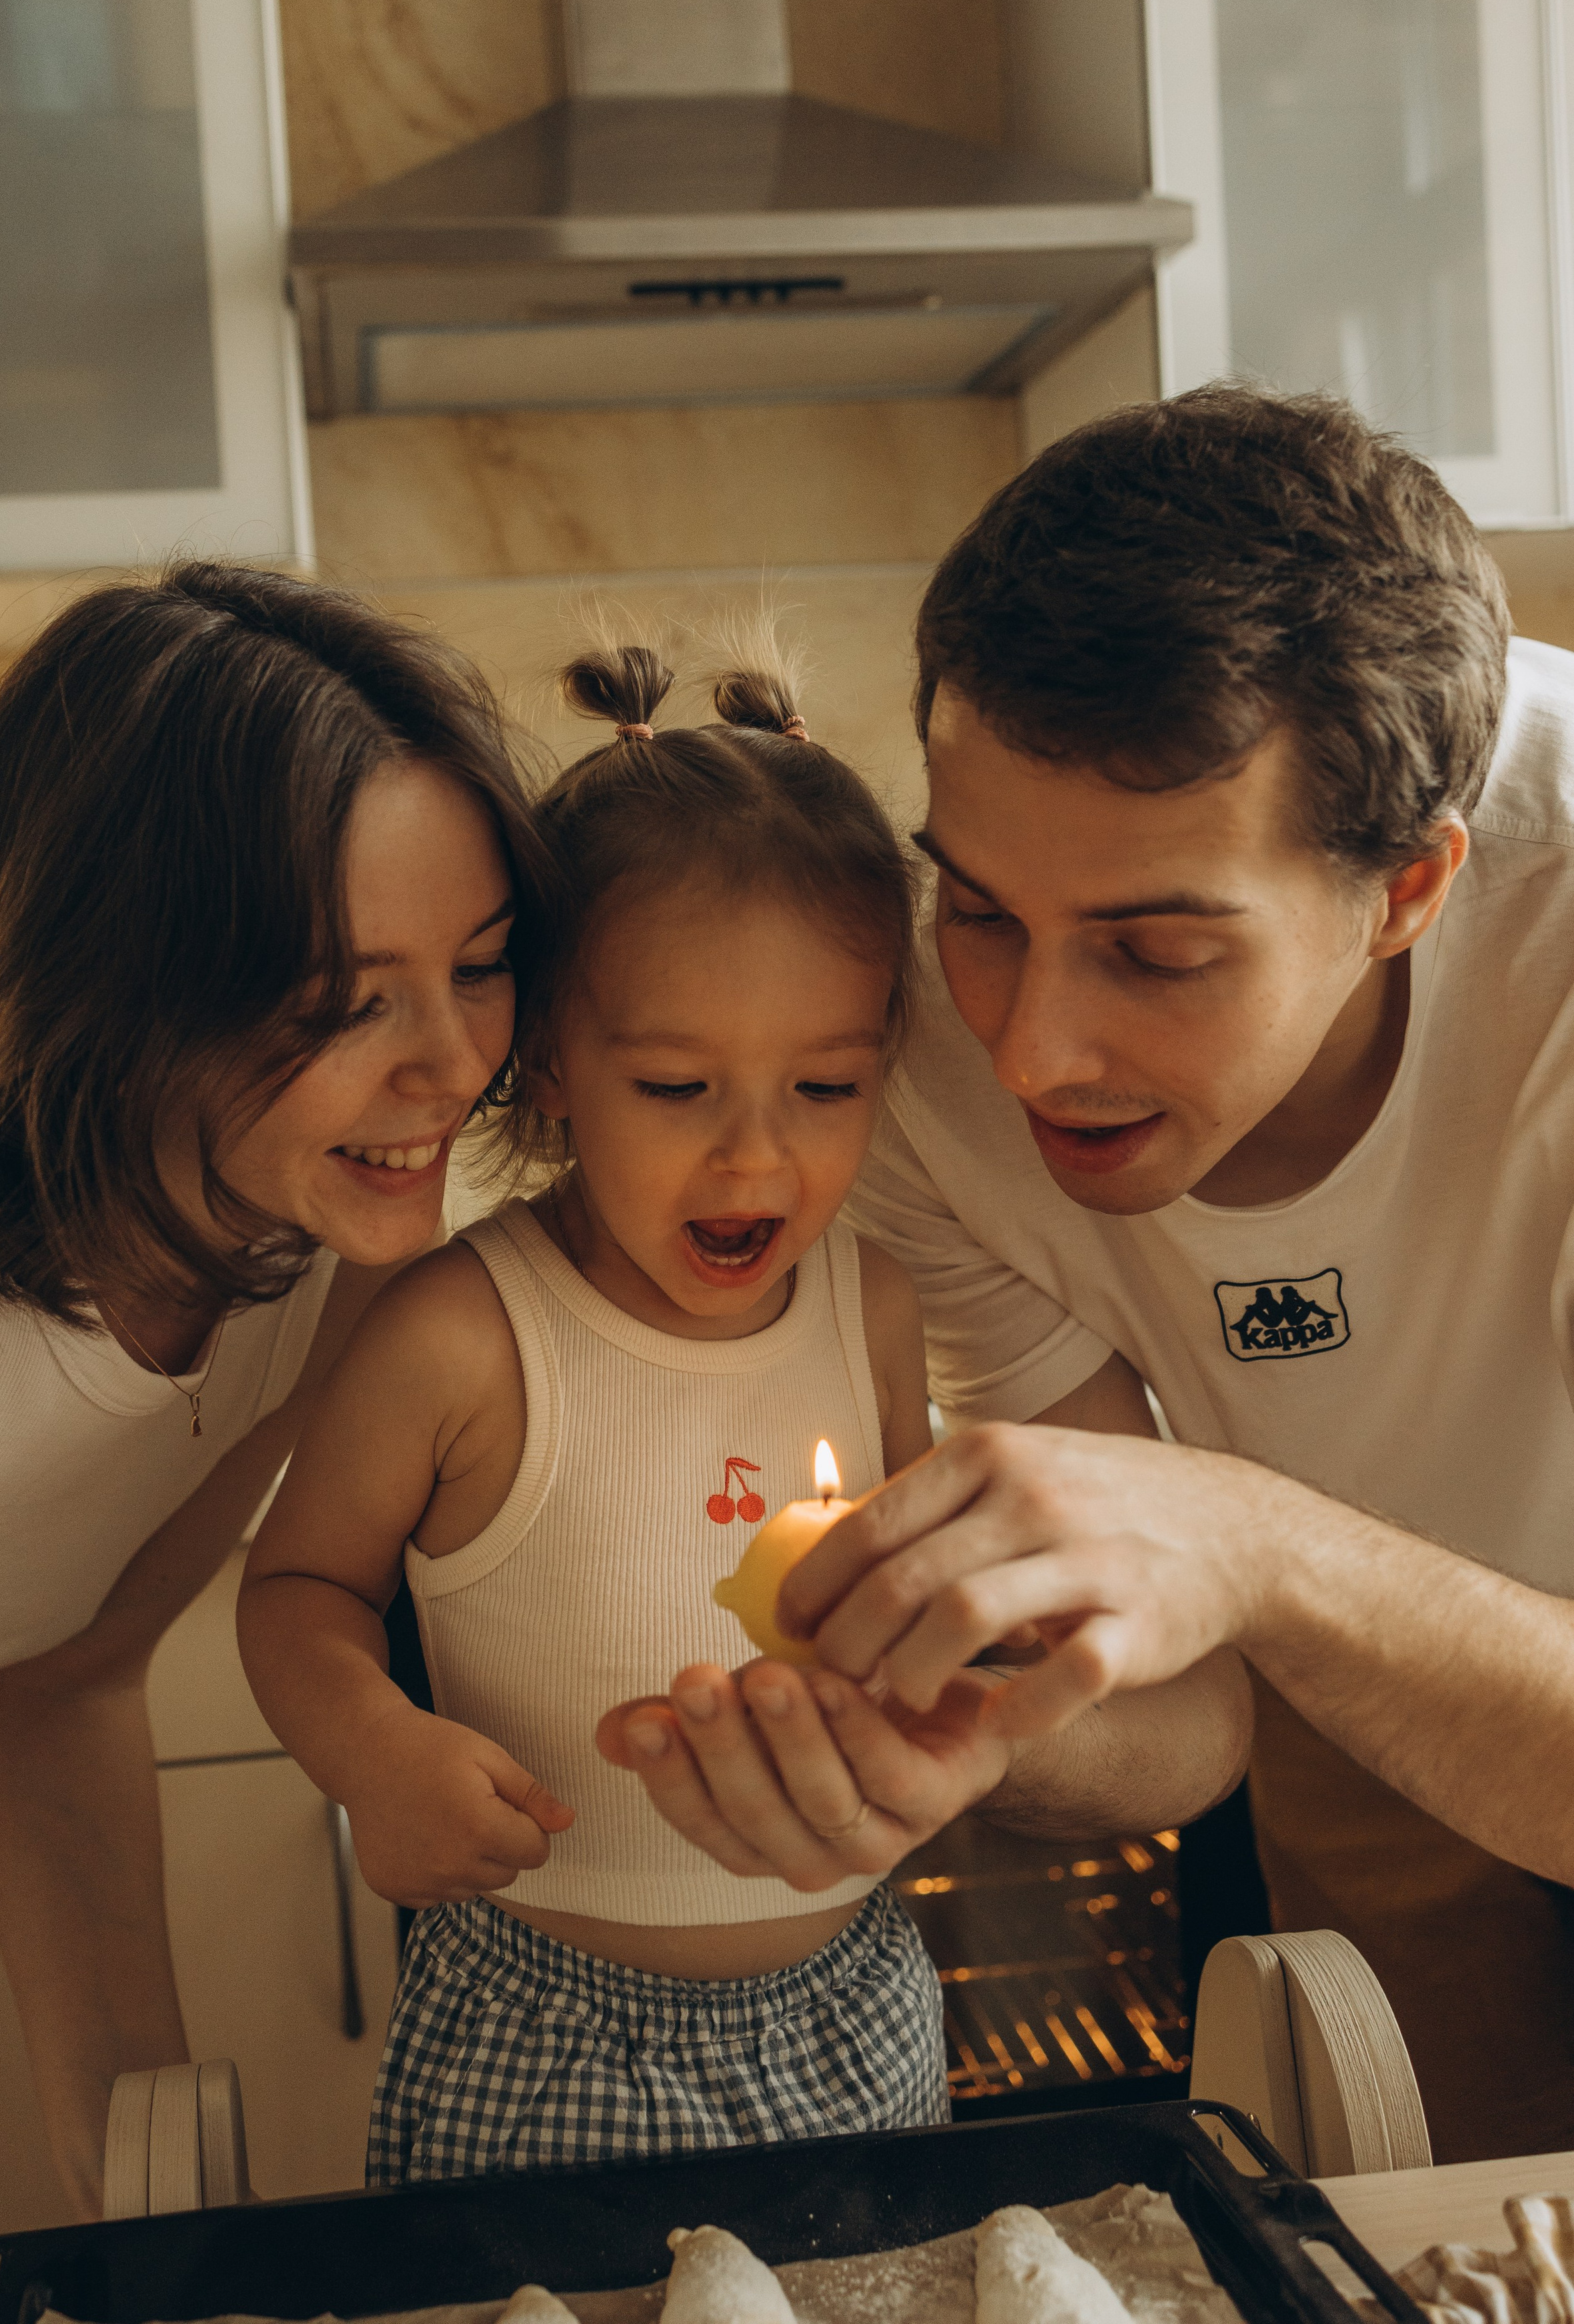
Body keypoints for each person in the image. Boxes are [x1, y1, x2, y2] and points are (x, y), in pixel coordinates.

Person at [631, 385, 1574, 2165]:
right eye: (982, 913)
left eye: (1153, 952)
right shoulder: (898, 1055)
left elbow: (1239, 1571)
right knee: (1439, 2234)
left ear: (1408, 887)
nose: (1031, 1051)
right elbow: (1190, 1715)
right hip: (1345, 1693)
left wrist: (1248, 1538)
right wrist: (985, 1738)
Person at [237, 644, 1249, 2181]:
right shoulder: (459, 1334)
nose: (754, 1166)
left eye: (825, 1090)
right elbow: (299, 1588)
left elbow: (900, 1596)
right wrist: (374, 1753)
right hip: (544, 2030)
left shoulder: (878, 1304)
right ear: (553, 1066)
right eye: (676, 1090)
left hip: (856, 2004)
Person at [0, 561, 555, 2215]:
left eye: (481, 963)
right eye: (342, 1002)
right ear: (121, 985)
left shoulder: (325, 1261)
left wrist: (148, 2222)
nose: (454, 1066)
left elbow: (66, 1678)